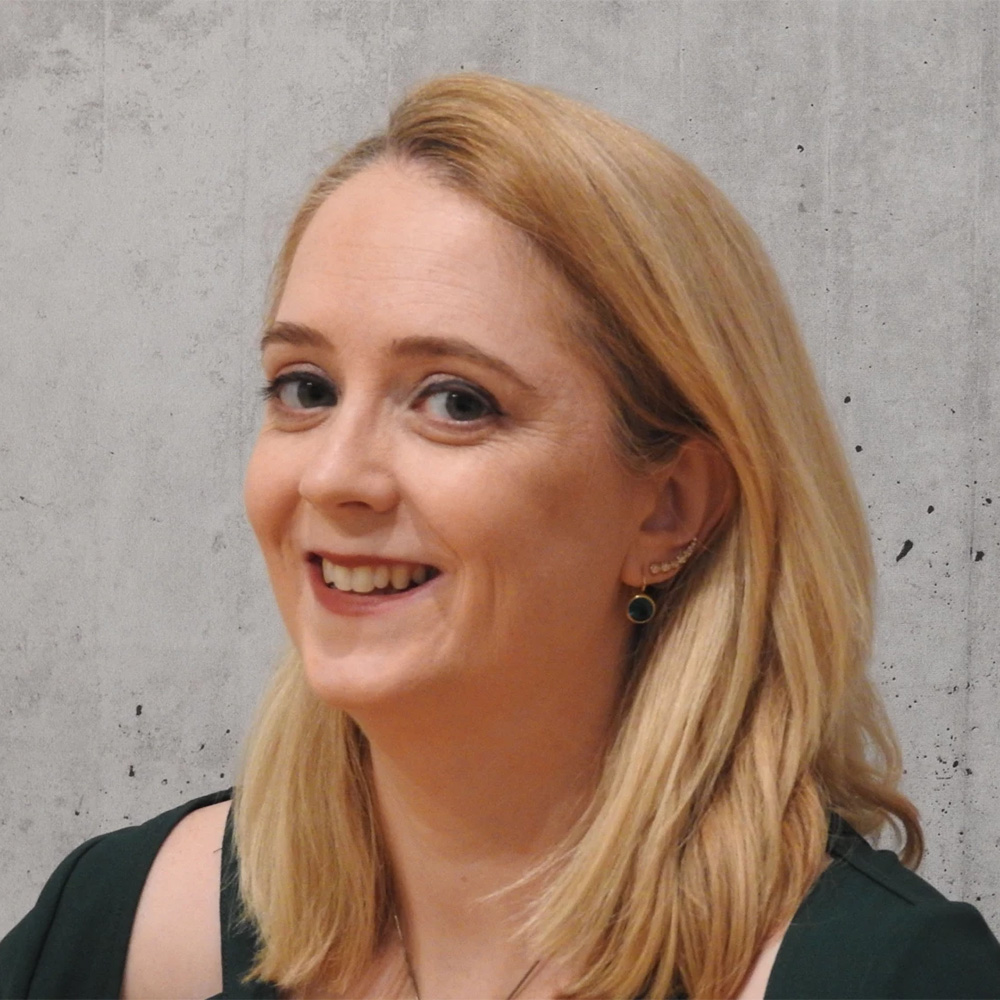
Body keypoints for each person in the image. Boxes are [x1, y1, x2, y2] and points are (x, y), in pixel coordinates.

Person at [2, 70, 999, 1000]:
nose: (335, 474)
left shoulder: (885, 975)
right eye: (305, 388)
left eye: (455, 400)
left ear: (669, 509)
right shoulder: (115, 924)